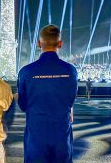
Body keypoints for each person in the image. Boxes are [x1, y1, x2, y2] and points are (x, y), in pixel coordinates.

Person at [17, 25, 78, 163]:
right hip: (62, 139)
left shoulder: (26, 72)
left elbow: (23, 104)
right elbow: (70, 101)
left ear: (39, 44)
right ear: (60, 44)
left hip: (36, 139)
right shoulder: (71, 71)